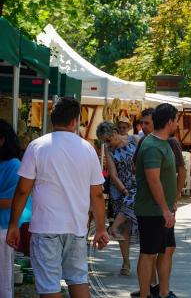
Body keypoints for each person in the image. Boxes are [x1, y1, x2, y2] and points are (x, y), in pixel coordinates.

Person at [7, 97, 109, 298]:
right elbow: (97, 193)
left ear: (52, 119)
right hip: (76, 228)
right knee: (78, 279)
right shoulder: (88, 149)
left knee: (49, 286)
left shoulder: (37, 146)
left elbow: (22, 191)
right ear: (74, 121)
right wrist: (100, 228)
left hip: (46, 227)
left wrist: (13, 224)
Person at [131, 108, 186, 298]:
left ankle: (163, 293)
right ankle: (145, 294)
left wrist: (172, 203)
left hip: (162, 211)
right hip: (152, 211)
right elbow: (153, 180)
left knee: (167, 249)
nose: (177, 124)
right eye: (176, 120)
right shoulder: (153, 145)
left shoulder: (163, 143)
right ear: (170, 122)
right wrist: (164, 209)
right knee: (148, 253)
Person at [96, 121, 139, 276]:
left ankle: (111, 229)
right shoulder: (109, 150)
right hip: (120, 187)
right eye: (104, 141)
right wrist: (124, 190)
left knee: (128, 220)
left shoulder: (134, 140)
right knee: (124, 229)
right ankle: (126, 262)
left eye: (107, 139)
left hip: (137, 183)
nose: (106, 143)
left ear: (114, 132)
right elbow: (113, 175)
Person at [0, 119, 32, 298]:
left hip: (4, 228)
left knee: (3, 280)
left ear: (2, 140)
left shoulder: (14, 165)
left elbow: (13, 200)